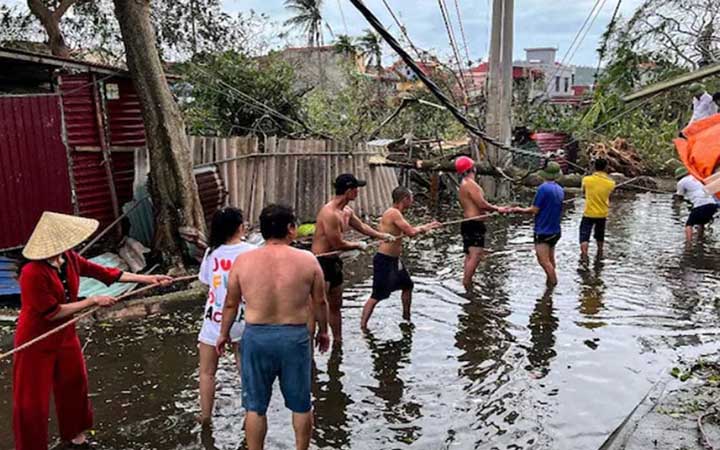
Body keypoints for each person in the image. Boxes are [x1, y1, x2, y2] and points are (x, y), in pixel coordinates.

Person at [13, 212, 172, 450]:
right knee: (31, 400)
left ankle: (75, 437)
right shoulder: (32, 273)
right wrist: (92, 301)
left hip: (65, 334)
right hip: (36, 338)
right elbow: (52, 313)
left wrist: (148, 280)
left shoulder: (69, 258)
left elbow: (106, 273)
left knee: (74, 382)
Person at [216, 204, 330, 450]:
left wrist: (223, 335)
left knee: (255, 407)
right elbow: (320, 301)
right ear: (290, 228)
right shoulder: (307, 260)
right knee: (301, 404)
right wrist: (323, 331)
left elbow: (230, 304)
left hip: (257, 337)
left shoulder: (243, 261)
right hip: (294, 338)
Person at [311, 174, 394, 342]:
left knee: (336, 305)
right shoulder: (329, 213)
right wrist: (357, 245)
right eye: (356, 189)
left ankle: (338, 341)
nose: (358, 192)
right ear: (349, 191)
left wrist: (382, 235)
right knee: (317, 306)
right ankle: (313, 341)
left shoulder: (347, 211)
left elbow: (362, 227)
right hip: (321, 262)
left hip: (335, 262)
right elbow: (337, 243)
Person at [197, 207, 256, 426]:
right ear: (240, 227)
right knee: (245, 371)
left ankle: (205, 417)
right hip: (244, 319)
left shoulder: (211, 252)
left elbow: (205, 281)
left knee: (207, 372)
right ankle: (251, 414)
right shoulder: (252, 251)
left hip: (215, 319)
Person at [360, 187, 441, 331]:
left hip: (394, 260)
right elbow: (410, 232)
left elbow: (409, 230)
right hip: (384, 260)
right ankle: (363, 327)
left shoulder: (395, 213)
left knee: (407, 286)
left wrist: (426, 226)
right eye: (411, 198)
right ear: (405, 199)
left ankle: (406, 318)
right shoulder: (394, 213)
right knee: (376, 296)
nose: (413, 201)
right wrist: (427, 227)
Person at [456, 156, 511, 291]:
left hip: (467, 222)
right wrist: (498, 209)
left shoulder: (463, 183)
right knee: (476, 255)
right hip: (474, 223)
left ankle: (466, 282)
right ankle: (467, 284)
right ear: (472, 169)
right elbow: (481, 204)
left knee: (469, 254)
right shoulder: (471, 184)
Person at [511, 162, 565, 287]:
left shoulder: (543, 188)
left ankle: (552, 285)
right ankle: (550, 284)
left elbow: (534, 210)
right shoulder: (560, 189)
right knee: (550, 259)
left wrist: (518, 209)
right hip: (555, 230)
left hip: (543, 230)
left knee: (543, 261)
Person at [579, 158, 616, 259]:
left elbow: (583, 193)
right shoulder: (611, 183)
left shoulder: (586, 180)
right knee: (600, 235)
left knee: (584, 236)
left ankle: (584, 256)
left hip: (588, 213)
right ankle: (600, 253)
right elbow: (609, 195)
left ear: (594, 166)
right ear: (606, 167)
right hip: (602, 214)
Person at [674, 166, 719, 242]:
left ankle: (688, 244)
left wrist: (677, 200)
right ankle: (700, 239)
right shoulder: (697, 178)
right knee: (701, 223)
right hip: (712, 204)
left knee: (689, 225)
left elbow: (679, 196)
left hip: (701, 204)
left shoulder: (681, 182)